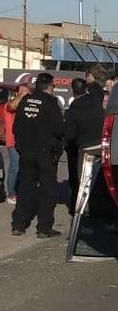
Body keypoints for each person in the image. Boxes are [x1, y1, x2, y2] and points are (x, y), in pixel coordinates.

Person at [11, 73, 64, 238]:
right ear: (50, 86)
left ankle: (18, 225)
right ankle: (44, 227)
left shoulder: (25, 100)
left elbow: (16, 127)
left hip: (26, 152)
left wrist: (21, 147)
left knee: (25, 188)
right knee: (48, 191)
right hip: (45, 154)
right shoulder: (51, 103)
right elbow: (58, 129)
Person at [64, 78, 104, 215]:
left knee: (83, 182)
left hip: (86, 148)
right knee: (101, 181)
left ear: (72, 90)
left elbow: (70, 135)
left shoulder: (72, 111)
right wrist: (92, 80)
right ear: (86, 89)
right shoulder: (95, 101)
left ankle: (81, 210)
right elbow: (99, 90)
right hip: (102, 145)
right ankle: (100, 209)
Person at [3, 85, 29, 205]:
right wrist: (22, 94)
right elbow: (11, 107)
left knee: (21, 168)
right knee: (15, 167)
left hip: (23, 141)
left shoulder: (23, 105)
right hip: (12, 141)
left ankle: (18, 191)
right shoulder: (10, 105)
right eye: (23, 92)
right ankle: (11, 194)